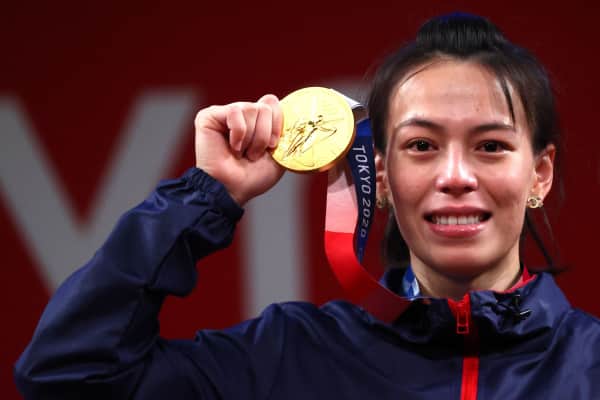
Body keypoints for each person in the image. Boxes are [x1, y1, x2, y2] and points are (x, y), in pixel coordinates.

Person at [14, 13, 600, 400]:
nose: (454, 177)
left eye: (491, 146)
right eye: (421, 146)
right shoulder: (289, 359)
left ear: (540, 174)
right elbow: (67, 377)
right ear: (382, 176)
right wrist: (206, 195)